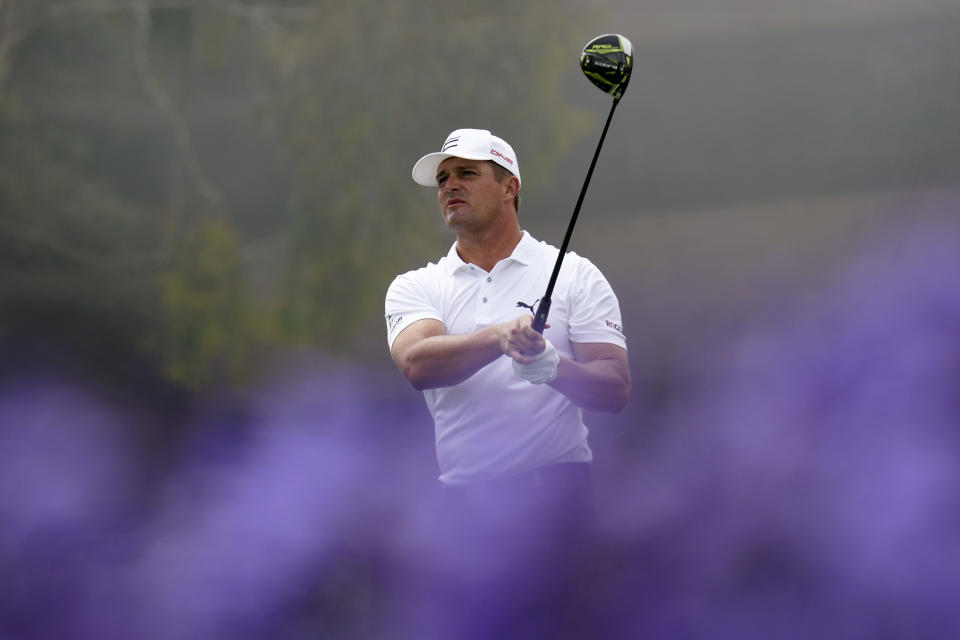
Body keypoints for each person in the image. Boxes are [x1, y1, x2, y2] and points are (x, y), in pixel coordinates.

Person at [385, 128, 630, 512]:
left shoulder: (574, 274)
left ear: (509, 187)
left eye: (467, 174)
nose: (450, 186)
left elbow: (616, 389)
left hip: (560, 496)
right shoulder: (416, 285)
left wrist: (554, 368)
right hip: (462, 506)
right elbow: (417, 364)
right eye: (443, 179)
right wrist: (500, 336)